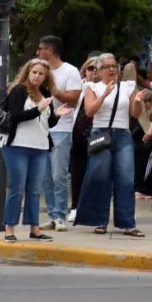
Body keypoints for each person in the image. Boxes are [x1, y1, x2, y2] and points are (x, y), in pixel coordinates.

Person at [74, 53, 148, 237]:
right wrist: (105, 94)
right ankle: (100, 221)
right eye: (107, 66)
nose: (112, 69)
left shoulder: (127, 86)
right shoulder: (91, 86)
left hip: (122, 134)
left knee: (125, 178)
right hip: (100, 133)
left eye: (114, 65)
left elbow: (135, 113)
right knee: (101, 177)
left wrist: (138, 101)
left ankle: (128, 224)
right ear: (99, 71)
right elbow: (90, 111)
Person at [2, 59, 70, 243]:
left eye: (41, 73)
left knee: (33, 190)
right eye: (34, 72)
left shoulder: (46, 93)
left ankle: (35, 229)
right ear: (28, 73)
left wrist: (56, 115)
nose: (37, 76)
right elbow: (16, 116)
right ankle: (9, 229)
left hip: (40, 147)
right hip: (17, 145)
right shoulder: (19, 90)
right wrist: (38, 110)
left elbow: (47, 123)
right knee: (16, 188)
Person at [36, 36, 82, 232]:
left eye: (40, 49)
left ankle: (61, 215)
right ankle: (53, 215)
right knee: (46, 176)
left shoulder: (70, 71)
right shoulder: (39, 71)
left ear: (49, 50)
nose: (37, 53)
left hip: (61, 128)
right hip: (41, 128)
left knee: (59, 174)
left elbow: (73, 99)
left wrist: (53, 89)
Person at [68, 58, 100, 224]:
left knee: (96, 172)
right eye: (90, 68)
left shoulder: (105, 88)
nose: (94, 71)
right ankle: (75, 207)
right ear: (84, 70)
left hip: (97, 136)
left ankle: (93, 208)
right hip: (77, 135)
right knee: (77, 172)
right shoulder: (77, 87)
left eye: (97, 68)